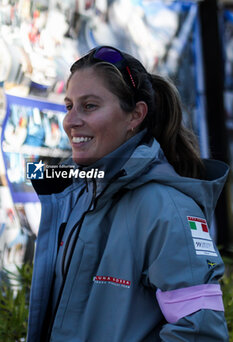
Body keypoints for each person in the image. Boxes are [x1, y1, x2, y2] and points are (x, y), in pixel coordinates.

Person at [27, 46, 229, 341]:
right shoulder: (80, 195)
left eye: (90, 106)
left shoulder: (167, 208)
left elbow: (202, 334)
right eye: (69, 106)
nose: (71, 121)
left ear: (135, 115)